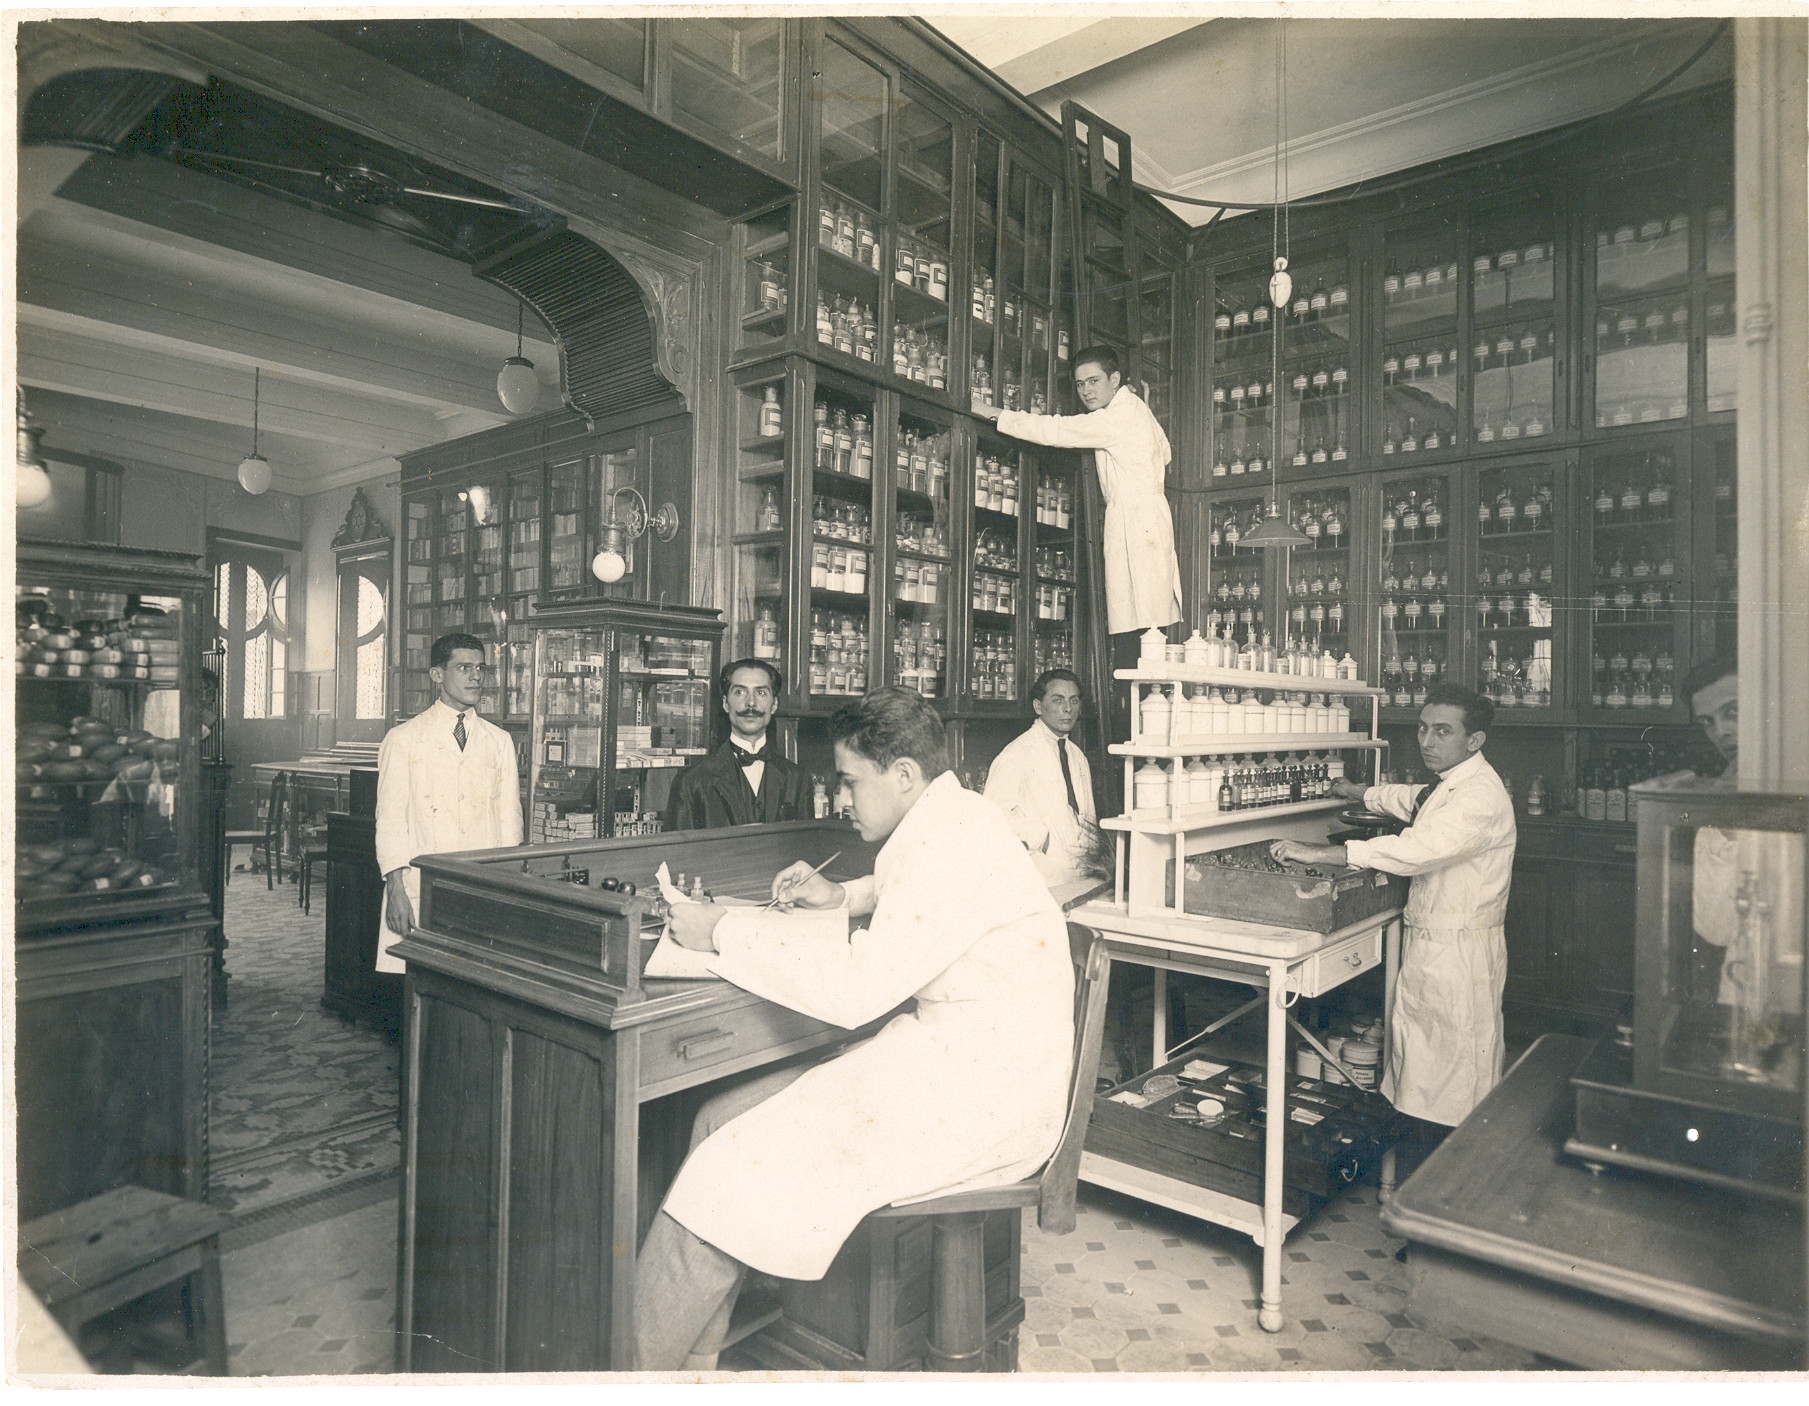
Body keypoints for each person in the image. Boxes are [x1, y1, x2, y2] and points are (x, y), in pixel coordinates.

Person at [633, 687, 1074, 1370]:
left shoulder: (949, 838)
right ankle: (690, 1372)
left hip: (984, 1094)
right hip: (966, 1062)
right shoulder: (950, 814)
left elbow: (853, 993)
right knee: (720, 1119)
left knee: (722, 1172)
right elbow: (912, 890)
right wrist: (842, 894)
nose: (839, 798)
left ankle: (623, 1376)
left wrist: (719, 928)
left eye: (848, 780)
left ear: (901, 774)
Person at [1271, 682, 1517, 1138]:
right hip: (1436, 945)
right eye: (1423, 729)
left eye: (1443, 732)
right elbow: (1410, 799)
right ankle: (1418, 1173)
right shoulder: (1450, 785)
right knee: (1424, 1069)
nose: (1426, 741)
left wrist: (1321, 854)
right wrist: (1357, 790)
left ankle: (1438, 1182)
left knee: (1452, 1078)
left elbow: (1418, 848)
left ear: (1475, 740)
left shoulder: (1480, 797)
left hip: (1460, 955)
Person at [976, 346, 1182, 649]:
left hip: (1136, 520)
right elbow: (1164, 453)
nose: (1086, 391)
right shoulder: (1133, 407)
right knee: (1145, 620)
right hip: (1146, 515)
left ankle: (1134, 693)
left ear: (1115, 380)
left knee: (1137, 626)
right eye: (1080, 384)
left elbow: (1058, 429)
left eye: (1094, 381)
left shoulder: (1119, 414)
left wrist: (991, 412)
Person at [374, 633, 522, 972]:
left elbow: (509, 823)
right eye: (463, 668)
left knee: (478, 983)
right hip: (422, 887)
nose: (475, 677)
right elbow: (392, 820)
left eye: (480, 668)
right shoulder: (403, 740)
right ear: (437, 675)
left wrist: (509, 890)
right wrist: (395, 888)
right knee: (424, 984)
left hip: (482, 887)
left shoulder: (499, 741)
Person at [983, 668, 1099, 887]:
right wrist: (1041, 838)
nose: (1067, 709)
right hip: (1039, 877)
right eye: (1058, 700)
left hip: (1080, 876)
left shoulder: (1076, 755)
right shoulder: (1018, 753)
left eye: (1074, 701)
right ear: (1038, 706)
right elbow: (991, 815)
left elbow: (1087, 816)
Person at [665, 658, 811, 829]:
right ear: (726, 703)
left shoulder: (798, 779)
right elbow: (678, 854)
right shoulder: (691, 782)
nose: (751, 703)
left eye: (761, 693)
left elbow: (805, 850)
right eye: (740, 692)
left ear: (774, 705)